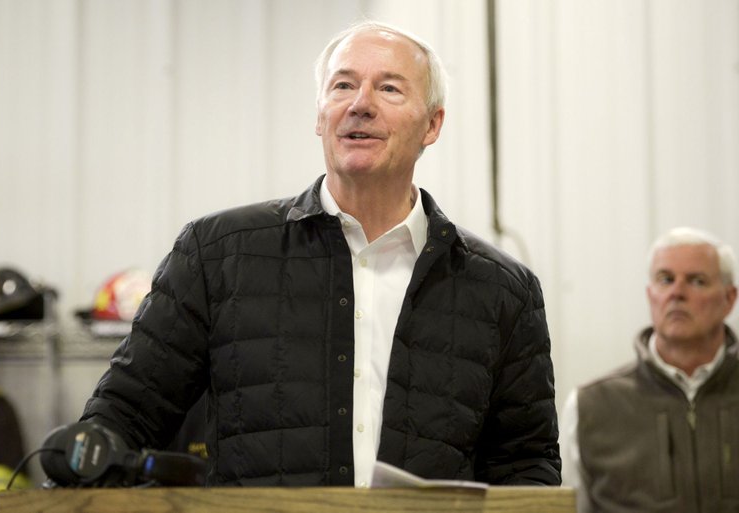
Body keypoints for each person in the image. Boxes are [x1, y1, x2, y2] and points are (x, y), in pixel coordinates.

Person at [79, 20, 560, 487]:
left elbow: (526, 466)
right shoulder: (216, 256)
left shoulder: (502, 290)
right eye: (343, 86)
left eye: (389, 89)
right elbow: (124, 418)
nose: (360, 105)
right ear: (319, 114)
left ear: (432, 124)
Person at [561, 226, 739, 512]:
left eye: (697, 281)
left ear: (729, 299)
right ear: (650, 294)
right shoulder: (591, 407)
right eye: (665, 279)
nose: (677, 293)